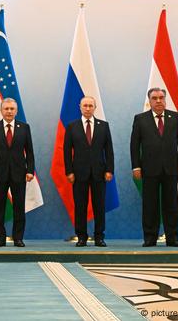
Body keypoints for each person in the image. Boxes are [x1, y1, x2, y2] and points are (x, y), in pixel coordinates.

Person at [130, 87, 178, 247]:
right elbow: (134, 145)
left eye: (161, 97)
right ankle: (150, 237)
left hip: (171, 168)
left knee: (172, 204)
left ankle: (172, 237)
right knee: (150, 204)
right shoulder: (140, 119)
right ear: (149, 101)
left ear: (165, 99)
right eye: (154, 98)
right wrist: (136, 167)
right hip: (149, 168)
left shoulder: (175, 117)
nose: (158, 101)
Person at [63, 96, 114, 247]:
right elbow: (66, 151)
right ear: (80, 107)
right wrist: (69, 171)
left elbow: (109, 150)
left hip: (100, 172)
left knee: (99, 206)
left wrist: (109, 169)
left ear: (95, 107)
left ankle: (99, 237)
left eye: (90, 106)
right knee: (80, 206)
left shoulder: (103, 126)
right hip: (78, 173)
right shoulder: (72, 126)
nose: (87, 108)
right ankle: (81, 237)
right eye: (85, 105)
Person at [0, 98, 35, 248]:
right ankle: (1, 238)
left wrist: (30, 170)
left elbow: (30, 152)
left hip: (19, 174)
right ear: (1, 110)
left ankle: (18, 238)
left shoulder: (24, 128)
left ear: (16, 111)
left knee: (19, 207)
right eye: (6, 109)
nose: (9, 111)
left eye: (12, 109)